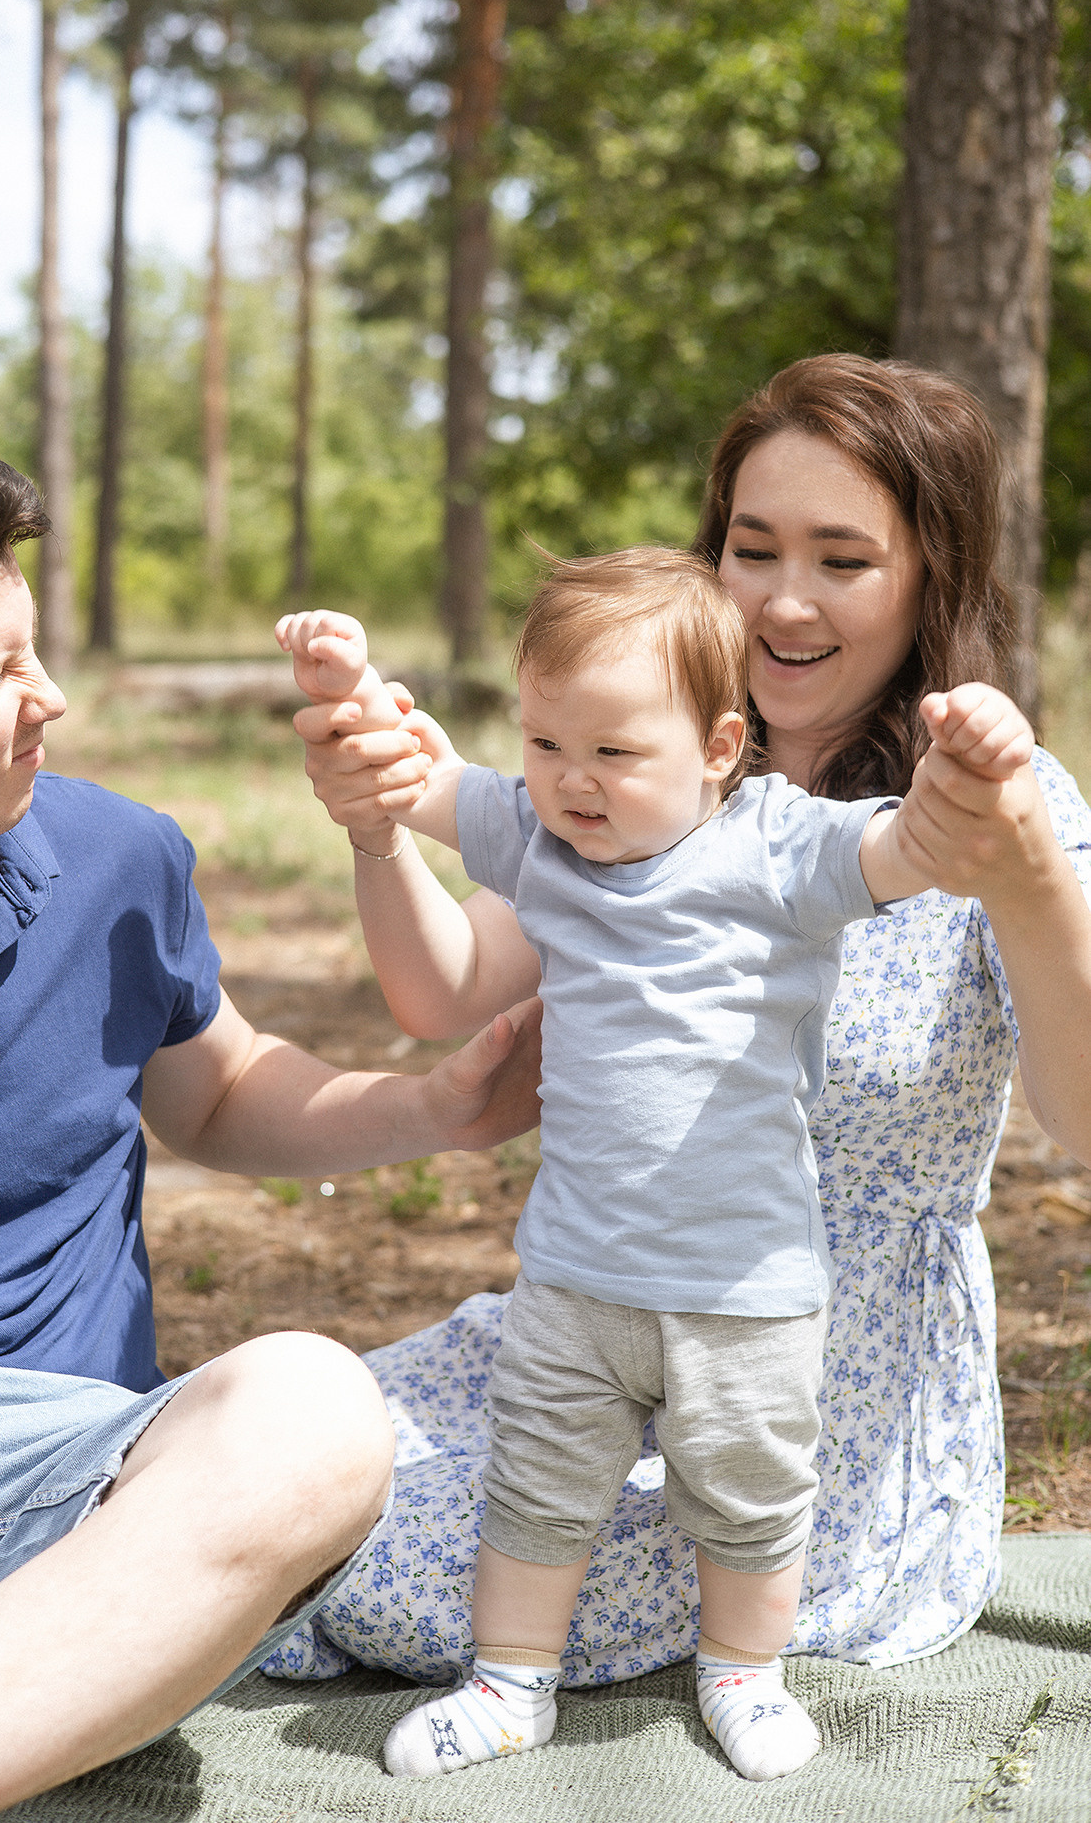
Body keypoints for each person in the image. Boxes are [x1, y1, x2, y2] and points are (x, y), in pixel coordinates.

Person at [261, 356, 1091, 1719]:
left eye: (842, 558)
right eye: (750, 547)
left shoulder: (986, 804)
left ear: (929, 578)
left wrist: (1018, 874)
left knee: (387, 1570)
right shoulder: (650, 766)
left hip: (817, 1375)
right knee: (287, 1453)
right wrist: (370, 831)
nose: (780, 598)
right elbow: (451, 982)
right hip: (599, 1311)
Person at [0, 428, 543, 1823]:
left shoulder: (115, 856)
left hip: (80, 1516)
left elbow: (211, 1086)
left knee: (313, 1410)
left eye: (33, 650)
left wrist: (429, 1108)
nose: (51, 700)